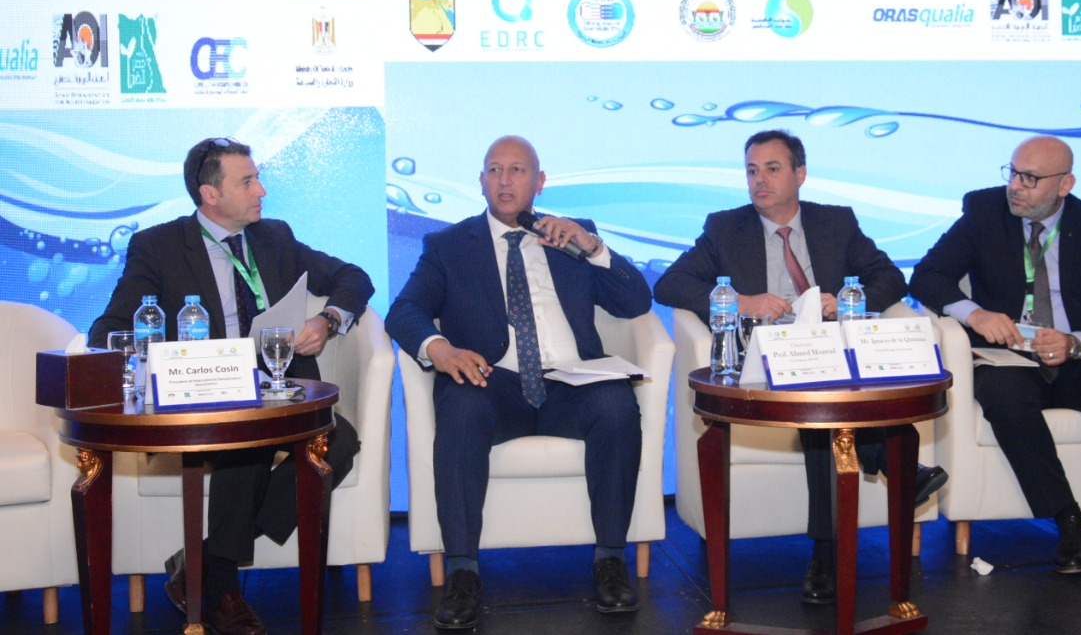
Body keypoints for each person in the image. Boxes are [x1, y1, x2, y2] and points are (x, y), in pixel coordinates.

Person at [88, 137, 374, 635]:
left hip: (282, 389)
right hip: (207, 397)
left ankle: (205, 563)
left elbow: (353, 277)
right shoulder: (158, 247)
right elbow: (108, 330)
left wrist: (326, 320)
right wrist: (175, 358)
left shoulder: (274, 237)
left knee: (340, 441)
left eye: (257, 178)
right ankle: (221, 589)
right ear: (210, 195)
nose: (261, 190)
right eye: (248, 181)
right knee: (247, 443)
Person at [653, 129, 947, 605]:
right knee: (820, 406)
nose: (759, 180)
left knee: (824, 399)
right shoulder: (726, 228)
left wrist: (846, 301)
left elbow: (890, 277)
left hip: (830, 352)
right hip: (766, 359)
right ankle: (886, 481)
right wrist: (743, 301)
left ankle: (830, 548)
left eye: (772, 169)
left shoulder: (836, 223)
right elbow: (669, 285)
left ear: (800, 174)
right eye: (752, 171)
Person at [386, 136, 652, 630]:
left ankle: (611, 561)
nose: (504, 181)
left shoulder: (572, 236)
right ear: (481, 180)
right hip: (494, 383)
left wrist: (593, 248)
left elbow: (636, 302)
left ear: (540, 181)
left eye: (517, 170)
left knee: (617, 405)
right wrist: (439, 348)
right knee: (460, 407)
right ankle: (462, 572)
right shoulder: (449, 246)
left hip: (572, 381)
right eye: (494, 170)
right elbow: (404, 310)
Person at [909, 134, 1081, 582]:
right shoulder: (984, 211)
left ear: (1065, 184)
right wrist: (975, 314)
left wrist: (1075, 343)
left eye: (1030, 179)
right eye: (1013, 173)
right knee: (1003, 394)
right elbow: (926, 276)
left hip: (1079, 359)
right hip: (1011, 358)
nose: (1015, 186)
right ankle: (1069, 523)